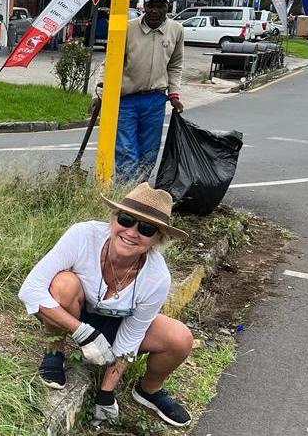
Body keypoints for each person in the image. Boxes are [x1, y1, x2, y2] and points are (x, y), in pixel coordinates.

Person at [18, 183, 194, 428]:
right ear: (113, 219)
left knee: (180, 337)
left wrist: (106, 392)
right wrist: (82, 332)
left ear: (157, 239)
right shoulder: (83, 236)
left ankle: (149, 391)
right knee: (62, 284)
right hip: (74, 312)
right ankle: (54, 352)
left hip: (118, 325)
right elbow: (30, 289)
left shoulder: (157, 276)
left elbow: (133, 333)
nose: (132, 232)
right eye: (125, 219)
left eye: (146, 228)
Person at [106, 0, 184, 184]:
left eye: (160, 6)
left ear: (167, 8)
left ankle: (139, 193)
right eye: (151, 5)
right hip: (126, 99)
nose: (155, 11)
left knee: (149, 151)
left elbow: (175, 65)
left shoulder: (176, 30)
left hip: (155, 99)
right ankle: (125, 194)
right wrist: (100, 93)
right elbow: (111, 64)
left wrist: (174, 94)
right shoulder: (128, 28)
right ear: (144, 6)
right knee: (126, 150)